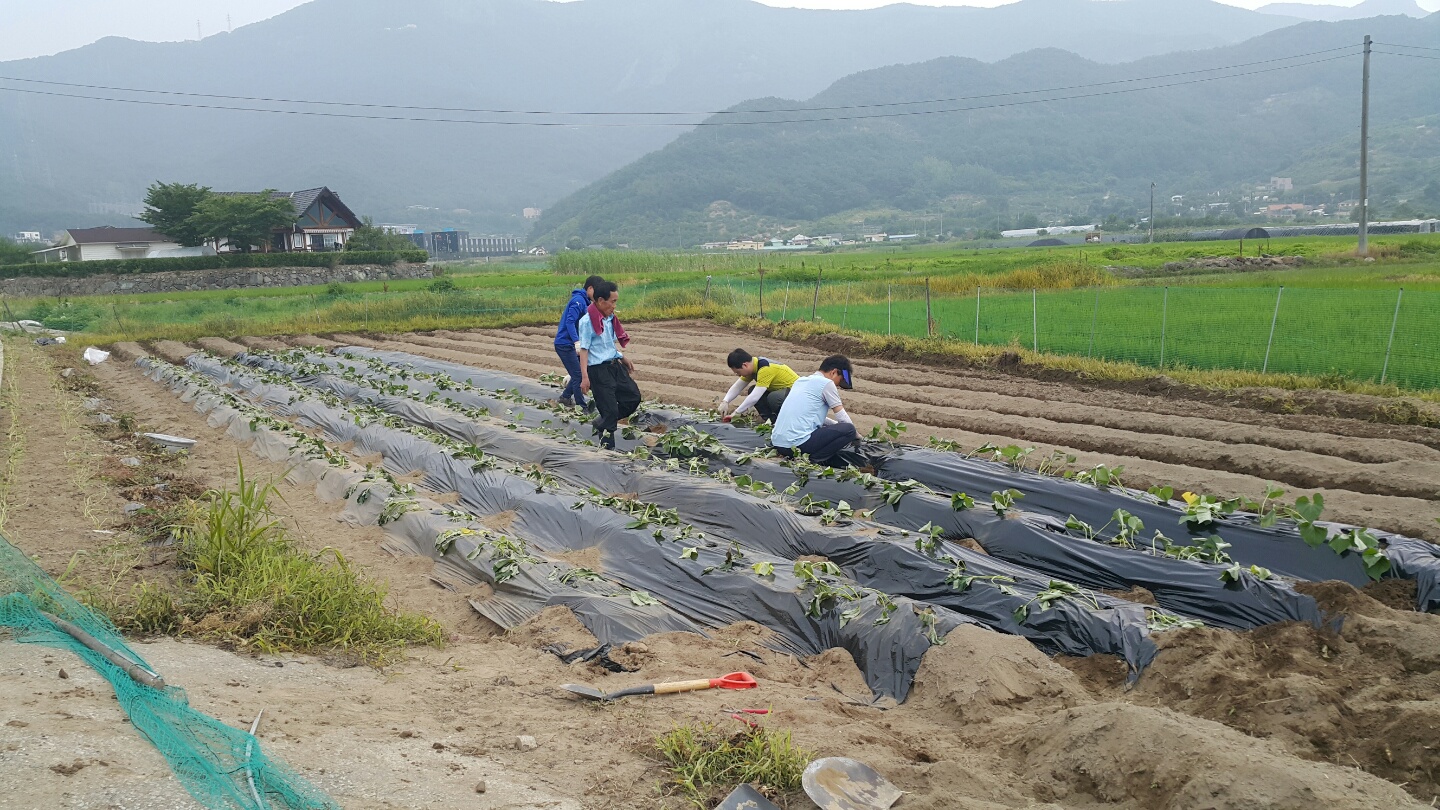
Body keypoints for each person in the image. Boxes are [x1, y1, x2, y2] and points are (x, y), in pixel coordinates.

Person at [577, 280, 641, 450]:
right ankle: (608, 452)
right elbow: (584, 350)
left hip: (614, 365)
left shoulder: (609, 318)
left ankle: (602, 421)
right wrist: (585, 377)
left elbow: (608, 344)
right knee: (610, 410)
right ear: (600, 301)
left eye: (615, 301)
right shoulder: (587, 322)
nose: (614, 305)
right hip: (598, 371)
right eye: (612, 301)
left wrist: (622, 357)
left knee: (633, 397)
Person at [770, 354, 857, 467]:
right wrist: (857, 436)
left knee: (836, 427)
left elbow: (811, 415)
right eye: (839, 381)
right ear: (834, 372)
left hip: (778, 443)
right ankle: (813, 459)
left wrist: (835, 425)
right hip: (796, 445)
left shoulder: (801, 381)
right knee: (849, 429)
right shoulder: (827, 383)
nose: (837, 386)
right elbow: (843, 418)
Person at [554, 275, 604, 409]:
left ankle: (565, 397)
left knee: (583, 371)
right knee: (578, 376)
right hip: (565, 344)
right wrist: (576, 342)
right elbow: (570, 322)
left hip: (572, 343)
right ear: (590, 288)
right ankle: (582, 407)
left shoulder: (586, 302)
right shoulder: (578, 301)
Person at [719, 349, 798, 424]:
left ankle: (786, 422)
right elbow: (738, 386)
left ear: (745, 365)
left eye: (738, 372)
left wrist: (736, 413)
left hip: (797, 394)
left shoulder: (765, 368)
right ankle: (771, 421)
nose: (738, 375)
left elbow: (755, 397)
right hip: (784, 392)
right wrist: (725, 401)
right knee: (752, 390)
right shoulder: (753, 366)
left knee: (773, 397)